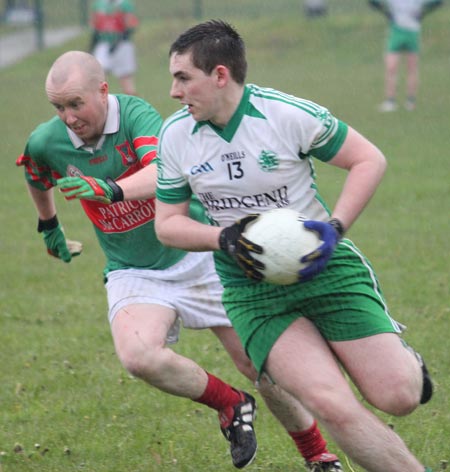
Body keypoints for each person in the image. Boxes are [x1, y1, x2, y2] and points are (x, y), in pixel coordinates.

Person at [16, 50, 345, 471]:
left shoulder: (135, 114)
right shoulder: (48, 140)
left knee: (256, 363)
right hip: (134, 270)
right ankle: (231, 405)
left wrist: (110, 189)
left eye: (76, 104)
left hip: (197, 254)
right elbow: (36, 173)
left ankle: (318, 455)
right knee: (139, 356)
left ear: (103, 91)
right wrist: (49, 226)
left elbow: (162, 172)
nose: (68, 116)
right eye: (58, 107)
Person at [153, 20, 435, 472]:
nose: (173, 91)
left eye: (183, 77)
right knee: (333, 404)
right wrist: (222, 238)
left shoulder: (286, 115)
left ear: (220, 75)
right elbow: (167, 226)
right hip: (252, 290)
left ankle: (404, 362)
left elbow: (368, 159)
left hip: (326, 266)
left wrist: (336, 227)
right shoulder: (175, 136)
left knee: (398, 396)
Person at [369, 0, 443, 112]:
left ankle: (410, 101)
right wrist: (387, 13)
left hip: (412, 31)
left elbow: (438, 2)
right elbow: (373, 2)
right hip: (396, 31)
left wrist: (423, 13)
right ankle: (390, 101)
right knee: (391, 67)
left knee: (412, 67)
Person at [90, 0, 139, 95]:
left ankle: (132, 105)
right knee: (99, 78)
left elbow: (129, 27)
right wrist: (91, 47)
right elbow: (95, 27)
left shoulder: (125, 5)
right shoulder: (98, 5)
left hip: (122, 45)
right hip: (103, 45)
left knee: (126, 81)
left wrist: (116, 44)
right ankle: (101, 105)